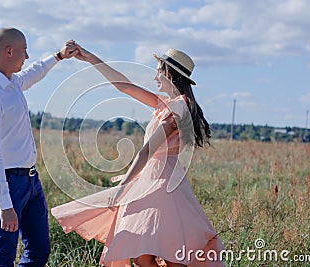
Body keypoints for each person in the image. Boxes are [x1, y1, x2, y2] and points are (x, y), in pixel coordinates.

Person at [51, 44, 225, 267]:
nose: (155, 76)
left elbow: (147, 151)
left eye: (158, 71)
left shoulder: (178, 108)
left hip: (162, 186)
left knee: (170, 255)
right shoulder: (168, 105)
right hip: (153, 181)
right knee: (145, 256)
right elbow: (124, 86)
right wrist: (91, 58)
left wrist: (123, 188)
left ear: (170, 73)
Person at [0, 27, 77, 267]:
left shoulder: (11, 81)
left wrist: (58, 56)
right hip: (6, 184)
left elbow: (33, 73)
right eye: (24, 51)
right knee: (2, 259)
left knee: (39, 251)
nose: (26, 57)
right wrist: (5, 206)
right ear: (9, 51)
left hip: (30, 180)